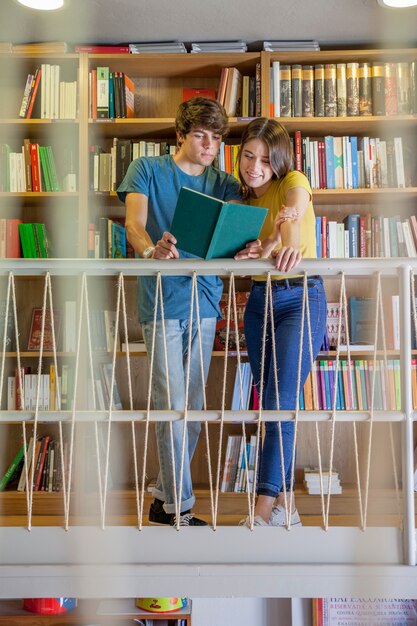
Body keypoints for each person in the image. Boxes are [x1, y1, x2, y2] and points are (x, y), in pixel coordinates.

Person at [117, 97, 242, 526]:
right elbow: (133, 223)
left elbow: (233, 234)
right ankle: (180, 510)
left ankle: (162, 500)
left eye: (216, 137)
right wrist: (151, 248)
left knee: (190, 408)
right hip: (161, 300)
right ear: (180, 135)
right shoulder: (147, 170)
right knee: (170, 404)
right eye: (200, 135)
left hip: (206, 301)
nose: (209, 144)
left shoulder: (224, 182)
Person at [235, 118, 327, 527]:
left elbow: (294, 210)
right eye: (248, 156)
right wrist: (258, 248)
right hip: (258, 301)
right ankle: (287, 508)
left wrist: (283, 242)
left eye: (265, 160)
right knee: (271, 401)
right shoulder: (241, 200)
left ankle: (261, 510)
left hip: (301, 298)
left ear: (279, 162)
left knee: (280, 402)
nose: (255, 166)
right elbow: (261, 238)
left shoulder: (293, 180)